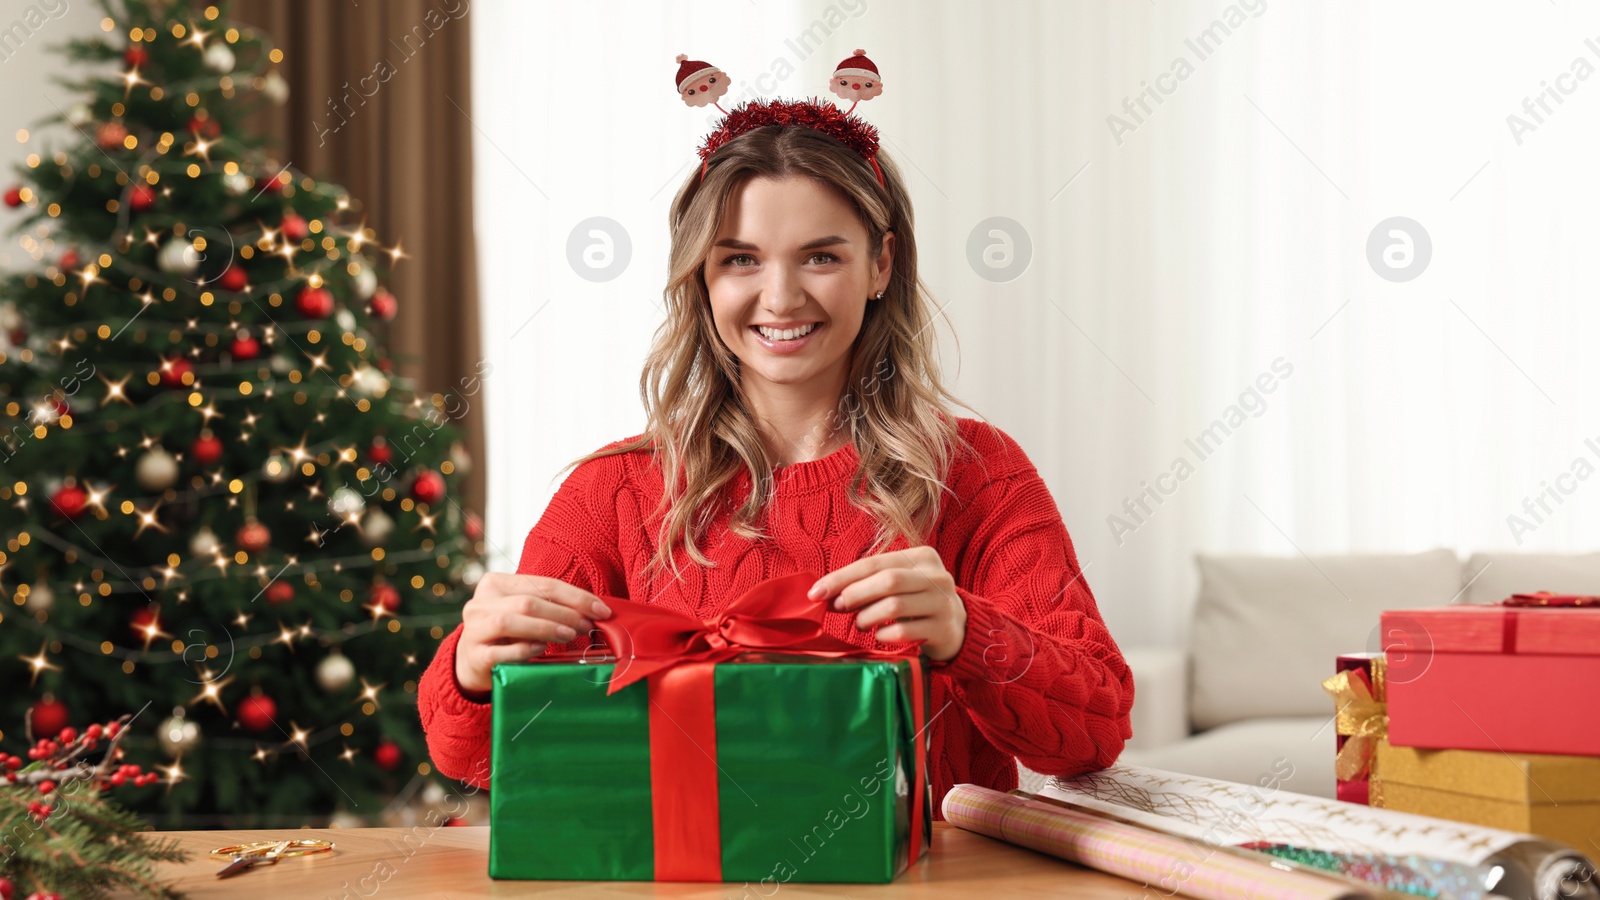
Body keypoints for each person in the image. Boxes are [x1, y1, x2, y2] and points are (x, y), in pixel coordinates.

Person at [417, 79, 1133, 822]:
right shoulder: (614, 492)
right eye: (740, 260)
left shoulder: (978, 475)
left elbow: (1096, 733)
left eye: (821, 257)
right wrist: (473, 671)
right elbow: (474, 755)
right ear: (701, 274)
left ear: (881, 264)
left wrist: (965, 632)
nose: (782, 296)